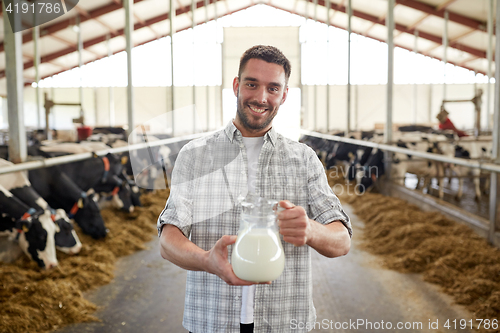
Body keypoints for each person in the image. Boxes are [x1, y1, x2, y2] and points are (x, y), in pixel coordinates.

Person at [157, 45, 352, 333]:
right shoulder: (195, 155)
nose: (261, 97)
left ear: (284, 95)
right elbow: (168, 239)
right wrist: (207, 260)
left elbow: (342, 241)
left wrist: (311, 229)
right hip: (212, 319)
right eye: (252, 84)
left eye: (273, 88)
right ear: (237, 86)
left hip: (284, 320)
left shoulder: (304, 159)